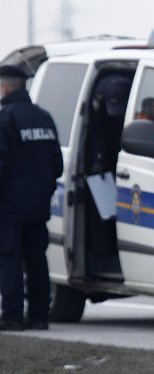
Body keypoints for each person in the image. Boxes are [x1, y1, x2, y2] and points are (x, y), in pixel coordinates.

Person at [0, 64, 64, 330]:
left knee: (10, 257)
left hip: (10, 207)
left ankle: (13, 317)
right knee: (37, 259)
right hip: (38, 205)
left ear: (4, 87)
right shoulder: (44, 117)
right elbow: (57, 165)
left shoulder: (6, 119)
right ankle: (40, 316)